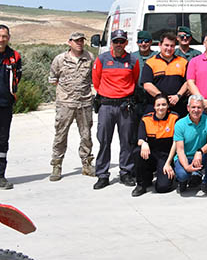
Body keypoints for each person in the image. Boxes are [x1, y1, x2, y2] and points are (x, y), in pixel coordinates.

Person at [92, 29, 140, 190]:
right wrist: (108, 95)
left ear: (126, 42)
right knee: (104, 140)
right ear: (111, 42)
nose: (119, 44)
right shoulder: (102, 59)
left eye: (122, 41)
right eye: (116, 41)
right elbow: (96, 81)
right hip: (106, 105)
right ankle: (102, 175)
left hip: (124, 106)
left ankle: (126, 172)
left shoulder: (133, 60)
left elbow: (134, 79)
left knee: (126, 141)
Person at [47, 31, 96, 181]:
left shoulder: (90, 58)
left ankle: (87, 164)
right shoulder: (60, 59)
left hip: (85, 102)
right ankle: (57, 165)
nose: (79, 43)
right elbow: (53, 79)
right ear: (69, 42)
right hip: (65, 104)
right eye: (76, 41)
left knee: (86, 135)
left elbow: (94, 78)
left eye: (81, 40)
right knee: (61, 135)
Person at [131, 94, 178, 196]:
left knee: (162, 187)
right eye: (158, 105)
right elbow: (140, 139)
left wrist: (169, 163)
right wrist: (144, 143)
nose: (161, 107)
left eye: (164, 105)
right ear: (154, 107)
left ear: (168, 106)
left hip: (166, 156)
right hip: (152, 154)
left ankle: (169, 176)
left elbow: (177, 143)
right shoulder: (146, 119)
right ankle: (141, 184)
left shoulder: (174, 118)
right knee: (137, 152)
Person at [172, 95, 207, 196]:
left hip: (202, 155)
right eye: (193, 107)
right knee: (183, 175)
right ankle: (183, 181)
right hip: (185, 156)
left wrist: (199, 152)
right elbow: (180, 150)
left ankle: (206, 183)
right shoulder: (180, 124)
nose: (196, 110)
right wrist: (187, 167)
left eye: (199, 107)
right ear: (188, 108)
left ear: (203, 108)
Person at [141, 32, 190, 117]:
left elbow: (188, 82)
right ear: (160, 45)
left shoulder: (183, 62)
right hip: (157, 107)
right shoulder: (150, 62)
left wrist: (178, 96)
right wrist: (162, 98)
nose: (169, 48)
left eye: (172, 46)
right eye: (166, 45)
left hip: (179, 106)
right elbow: (147, 85)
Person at [0, 26, 21, 189]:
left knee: (2, 142)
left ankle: (0, 176)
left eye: (5, 36)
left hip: (5, 105)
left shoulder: (14, 56)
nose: (2, 39)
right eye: (0, 36)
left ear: (9, 37)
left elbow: (17, 77)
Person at [133, 30, 157, 114]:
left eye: (146, 41)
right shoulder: (132, 57)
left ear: (151, 42)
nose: (143, 44)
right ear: (137, 43)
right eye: (140, 41)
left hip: (153, 97)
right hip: (136, 97)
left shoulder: (157, 56)